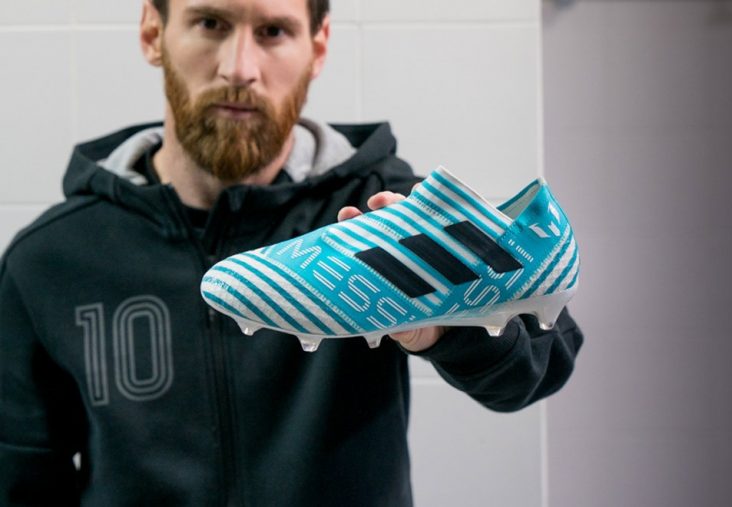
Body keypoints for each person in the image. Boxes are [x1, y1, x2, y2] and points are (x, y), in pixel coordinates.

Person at [0, 0, 584, 505]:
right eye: (210, 23)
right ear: (154, 32)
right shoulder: (50, 259)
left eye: (273, 31)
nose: (239, 68)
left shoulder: (388, 215)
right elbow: (21, 479)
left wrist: (440, 326)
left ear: (318, 47)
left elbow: (544, 361)